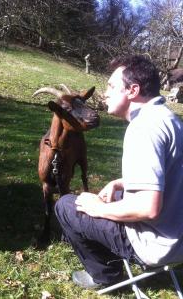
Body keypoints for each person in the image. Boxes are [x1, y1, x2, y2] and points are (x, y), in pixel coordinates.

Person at [54, 55, 183, 289]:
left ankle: (106, 275)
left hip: (155, 245)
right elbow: (172, 172)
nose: (105, 93)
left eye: (112, 86)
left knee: (66, 205)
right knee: (110, 196)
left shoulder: (143, 129)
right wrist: (120, 183)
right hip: (178, 236)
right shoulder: (170, 120)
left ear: (133, 90)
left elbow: (148, 208)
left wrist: (99, 209)